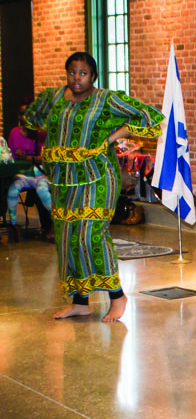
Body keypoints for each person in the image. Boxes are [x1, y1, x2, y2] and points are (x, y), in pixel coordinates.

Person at [23, 52, 163, 322]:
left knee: (90, 236)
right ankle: (80, 302)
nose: (77, 78)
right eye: (72, 72)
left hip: (98, 176)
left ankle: (117, 296)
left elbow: (150, 115)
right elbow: (31, 118)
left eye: (83, 73)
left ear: (93, 76)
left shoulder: (106, 100)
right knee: (68, 238)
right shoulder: (53, 97)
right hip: (64, 178)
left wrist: (113, 137)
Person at [6, 108, 53, 238]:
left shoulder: (41, 134)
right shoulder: (15, 133)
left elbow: (46, 158)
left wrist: (27, 158)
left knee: (43, 191)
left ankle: (55, 222)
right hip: (23, 173)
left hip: (41, 173)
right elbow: (11, 156)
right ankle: (13, 223)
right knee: (12, 190)